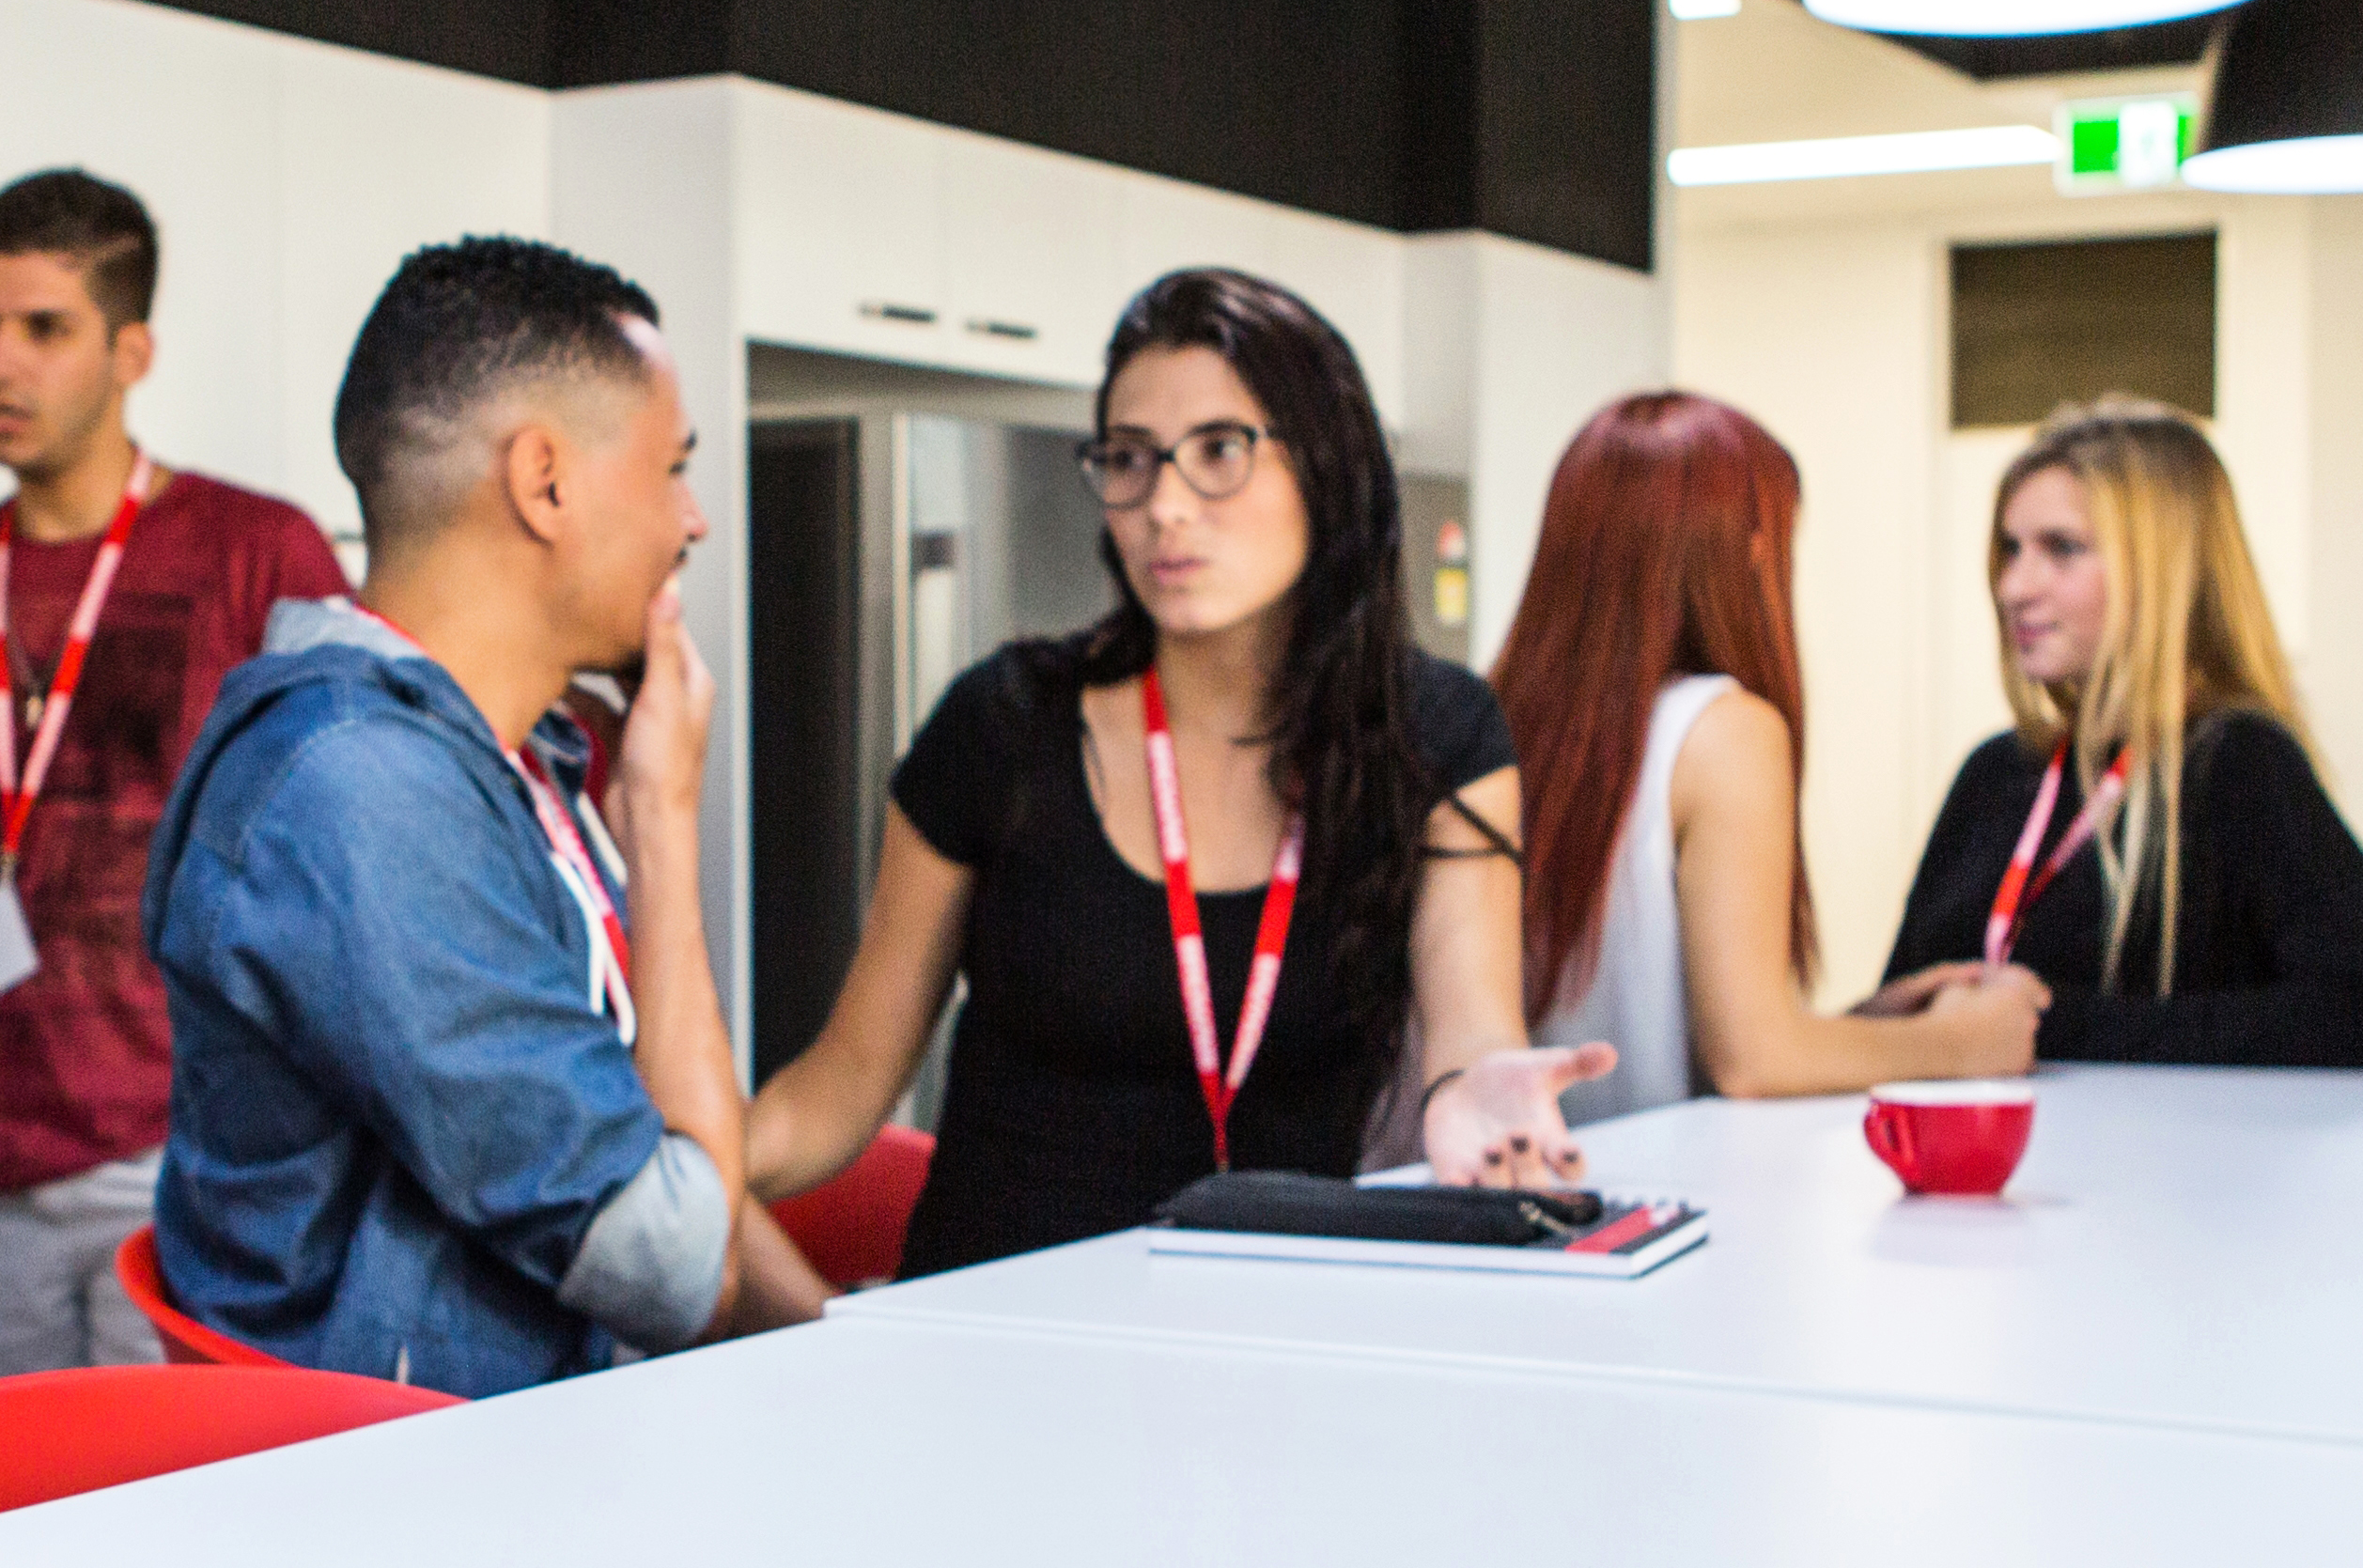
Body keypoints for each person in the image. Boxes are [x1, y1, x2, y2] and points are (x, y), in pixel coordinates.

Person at [748, 266, 1609, 1274]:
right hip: (996, 1339)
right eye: (1129, 458)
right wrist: (678, 1167)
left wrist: (1480, 1100)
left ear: (1326, 468)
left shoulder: (1437, 738)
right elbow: (845, 1086)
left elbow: (1471, 1033)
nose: (1164, 506)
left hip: (1273, 1333)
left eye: (1218, 452)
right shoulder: (1003, 728)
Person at [144, 237, 825, 1390]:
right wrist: (662, 825)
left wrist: (845, 1345)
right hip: (390, 1516)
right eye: (672, 469)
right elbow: (680, 1269)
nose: (693, 521)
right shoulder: (363, 791)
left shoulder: (512, 760)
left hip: (504, 1471)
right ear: (545, 480)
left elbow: (650, 1160)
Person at [0, 169, 347, 1385]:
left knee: (167, 1520)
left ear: (131, 350)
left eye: (44, 328)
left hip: (183, 1158)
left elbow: (348, 844)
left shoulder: (260, 552)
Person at [1492, 389, 2043, 1117]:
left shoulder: (1499, 721)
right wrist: (1968, 1043)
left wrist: (1853, 1029)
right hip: (1650, 1200)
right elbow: (1752, 1061)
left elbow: (1636, 1026)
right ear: (1749, 546)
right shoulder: (1724, 729)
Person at [1870, 397, 2363, 1067]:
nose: (2015, 586)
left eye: (2062, 550)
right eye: (2010, 550)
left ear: (2162, 570)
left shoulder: (2239, 764)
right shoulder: (1996, 774)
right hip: (1974, 1162)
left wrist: (2038, 1029)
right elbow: (1906, 999)